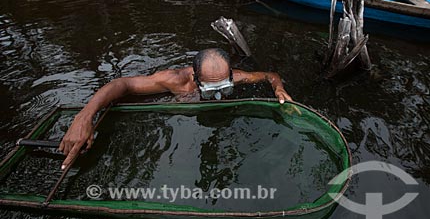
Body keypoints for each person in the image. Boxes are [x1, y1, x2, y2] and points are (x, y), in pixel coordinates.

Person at [59, 48, 292, 169]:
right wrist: (84, 116)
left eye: (225, 88)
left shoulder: (238, 77)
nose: (219, 95)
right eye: (211, 91)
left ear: (231, 76)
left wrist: (278, 88)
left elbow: (270, 76)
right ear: (196, 78)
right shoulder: (175, 80)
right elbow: (123, 84)